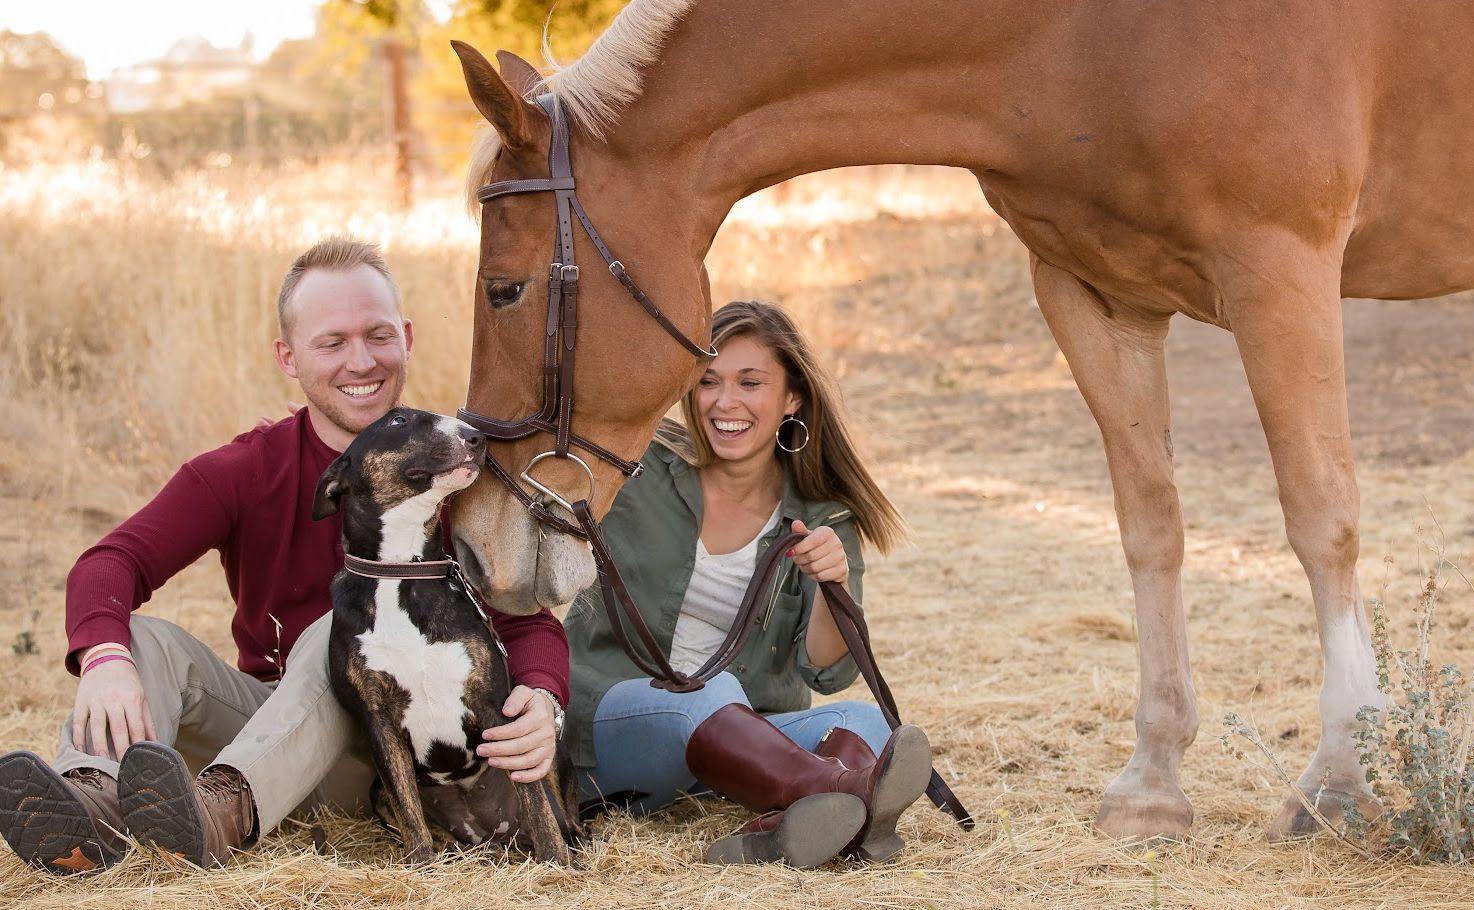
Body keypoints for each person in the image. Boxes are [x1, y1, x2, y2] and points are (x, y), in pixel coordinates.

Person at [0, 237, 568, 875]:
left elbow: (525, 615)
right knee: (138, 637)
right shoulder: (244, 469)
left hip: (384, 755)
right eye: (331, 343)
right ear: (288, 358)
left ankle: (223, 815)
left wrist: (542, 701)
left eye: (379, 336)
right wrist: (105, 660)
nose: (361, 361)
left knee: (344, 624)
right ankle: (89, 805)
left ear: (407, 338)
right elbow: (110, 563)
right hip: (269, 728)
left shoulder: (446, 466)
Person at [565, 299, 932, 869]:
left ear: (792, 399)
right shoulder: (637, 467)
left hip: (736, 759)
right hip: (615, 730)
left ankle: (777, 831)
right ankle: (850, 798)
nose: (725, 402)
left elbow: (829, 672)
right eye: (708, 381)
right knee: (707, 694)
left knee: (862, 722)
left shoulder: (824, 517)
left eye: (750, 382)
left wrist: (831, 583)